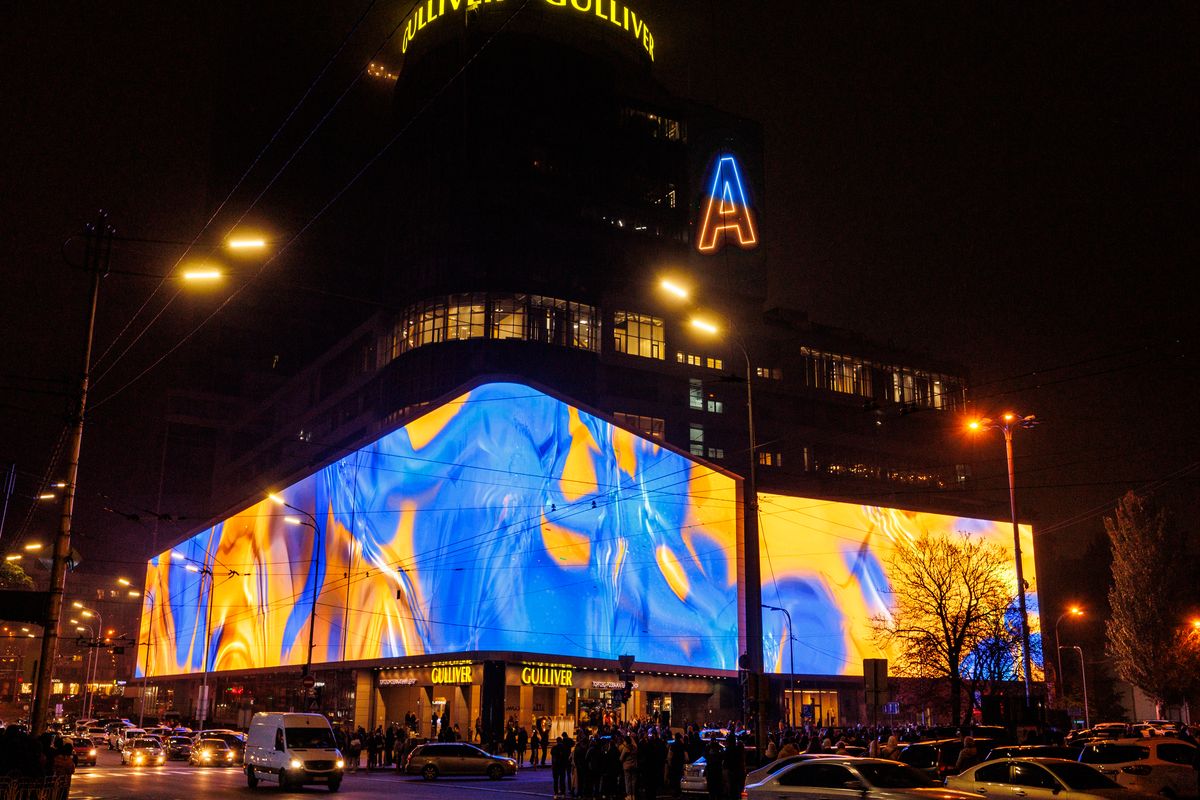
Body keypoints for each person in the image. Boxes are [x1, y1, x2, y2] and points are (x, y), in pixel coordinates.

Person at [619, 733, 639, 800]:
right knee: (633, 781)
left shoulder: (626, 748)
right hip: (634, 766)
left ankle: (629, 795)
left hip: (627, 767)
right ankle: (633, 795)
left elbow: (621, 758)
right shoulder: (635, 747)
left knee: (627, 781)